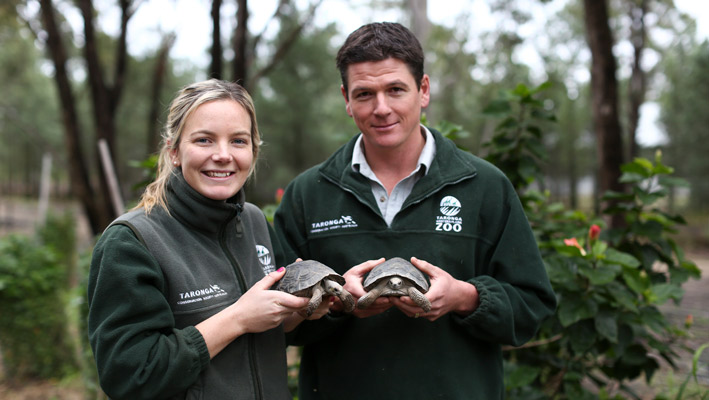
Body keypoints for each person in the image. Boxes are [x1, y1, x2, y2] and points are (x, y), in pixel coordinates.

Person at [273, 22, 557, 399]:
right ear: (346, 98)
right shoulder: (308, 194)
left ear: (423, 91)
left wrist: (464, 297)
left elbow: (532, 308)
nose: (381, 108)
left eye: (395, 90)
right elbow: (279, 322)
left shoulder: (484, 187)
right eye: (364, 94)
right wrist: (337, 305)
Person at [87, 79, 330, 400]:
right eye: (204, 140)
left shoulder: (256, 221)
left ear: (254, 151)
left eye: (239, 141)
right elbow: (131, 375)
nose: (223, 155)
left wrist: (308, 308)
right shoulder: (132, 241)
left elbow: (275, 333)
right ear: (174, 151)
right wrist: (238, 318)